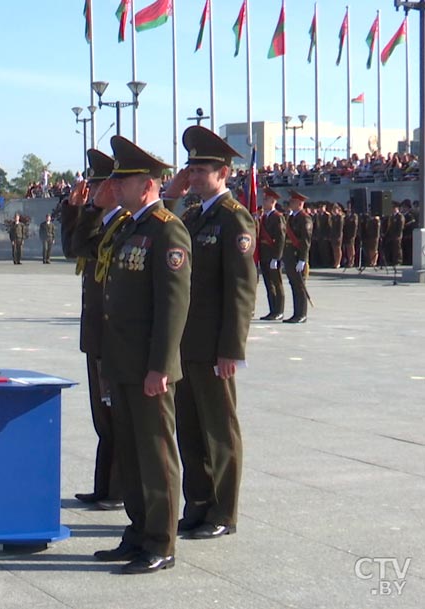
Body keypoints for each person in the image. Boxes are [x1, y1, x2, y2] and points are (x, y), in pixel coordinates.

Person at [92, 135, 190, 575]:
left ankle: (161, 542)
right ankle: (137, 532)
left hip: (148, 368)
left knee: (155, 455)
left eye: (124, 181)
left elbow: (173, 307)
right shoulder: (130, 227)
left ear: (147, 184)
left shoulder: (167, 228)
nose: (116, 188)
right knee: (130, 454)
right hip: (122, 363)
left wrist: (160, 367)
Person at [164, 126, 256, 542]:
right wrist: (172, 192)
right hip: (184, 346)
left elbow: (241, 290)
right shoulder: (192, 216)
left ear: (223, 173)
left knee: (220, 431)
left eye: (201, 170)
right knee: (190, 429)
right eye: (191, 169)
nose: (193, 176)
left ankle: (224, 511)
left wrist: (231, 349)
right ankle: (197, 504)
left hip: (213, 346)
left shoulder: (234, 218)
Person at [67, 148, 126, 511]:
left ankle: (118, 489)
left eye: (97, 184)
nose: (92, 190)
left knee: (117, 414)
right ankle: (104, 485)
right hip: (96, 335)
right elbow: (74, 245)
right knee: (102, 415)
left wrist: (88, 212)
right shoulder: (103, 223)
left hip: (114, 336)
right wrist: (80, 209)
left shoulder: (123, 225)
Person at [256, 187, 286, 320]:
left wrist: (277, 257)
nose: (263, 201)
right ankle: (272, 310)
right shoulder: (264, 217)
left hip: (272, 255)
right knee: (269, 284)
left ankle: (279, 310)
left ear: (273, 201)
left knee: (277, 283)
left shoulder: (277, 217)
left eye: (266, 199)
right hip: (264, 255)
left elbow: (280, 238)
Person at [282, 190, 312, 323]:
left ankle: (302, 314)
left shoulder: (305, 218)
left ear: (300, 203)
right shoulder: (292, 217)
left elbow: (306, 241)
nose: (290, 204)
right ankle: (296, 313)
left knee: (300, 286)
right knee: (294, 284)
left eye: (293, 202)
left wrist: (302, 259)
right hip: (290, 256)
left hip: (297, 255)